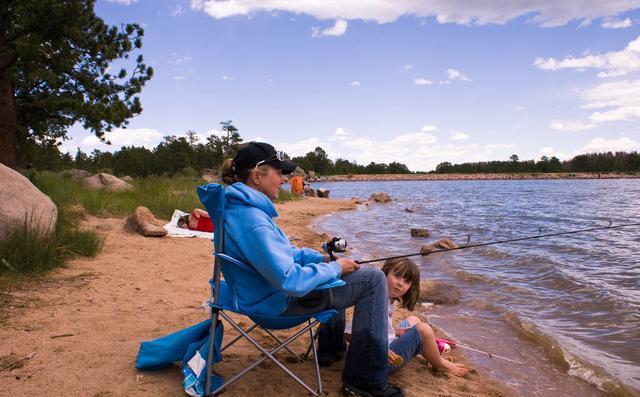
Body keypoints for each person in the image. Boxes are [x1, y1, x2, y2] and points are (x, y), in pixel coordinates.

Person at [219, 141, 405, 397]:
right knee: (373, 279)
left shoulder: (241, 210)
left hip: (258, 295)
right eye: (279, 172)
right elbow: (290, 281)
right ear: (257, 175)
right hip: (276, 305)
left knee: (345, 273)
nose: (284, 180)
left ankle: (332, 349)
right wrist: (337, 268)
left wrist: (322, 261)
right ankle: (365, 381)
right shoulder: (254, 221)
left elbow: (286, 254)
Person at [345, 258, 469, 377]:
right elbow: (348, 334)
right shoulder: (374, 300)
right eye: (397, 276)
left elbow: (377, 325)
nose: (400, 284)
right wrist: (379, 347)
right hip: (383, 358)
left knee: (413, 320)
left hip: (387, 343)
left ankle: (432, 355)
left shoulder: (387, 299)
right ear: (385, 273)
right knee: (423, 330)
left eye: (406, 281)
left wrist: (396, 331)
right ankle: (441, 364)